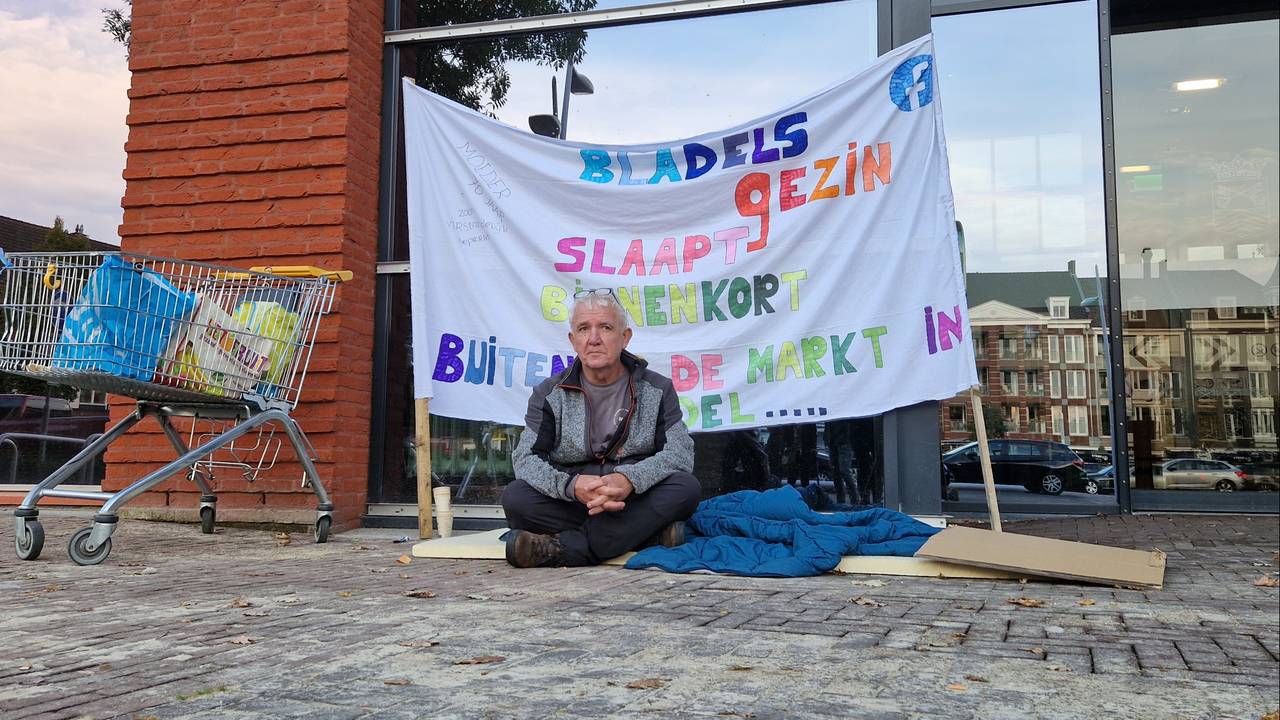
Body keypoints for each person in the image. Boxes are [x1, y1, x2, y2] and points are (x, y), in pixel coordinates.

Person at [500, 288, 702, 568]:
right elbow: (525, 459)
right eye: (584, 329)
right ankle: (644, 536)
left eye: (605, 327)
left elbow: (680, 454)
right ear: (573, 340)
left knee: (685, 488)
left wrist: (629, 480)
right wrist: (572, 486)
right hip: (575, 501)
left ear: (625, 337)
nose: (593, 339)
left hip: (632, 499)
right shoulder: (549, 393)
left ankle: (562, 549)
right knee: (516, 498)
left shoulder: (657, 388)